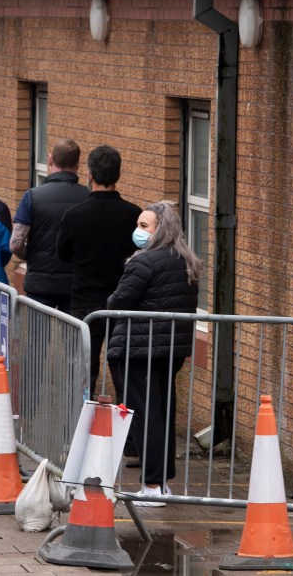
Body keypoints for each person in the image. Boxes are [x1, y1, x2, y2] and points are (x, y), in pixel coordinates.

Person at [105, 201, 201, 506]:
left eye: (145, 226)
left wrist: (110, 298)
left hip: (139, 347)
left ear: (162, 229)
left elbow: (119, 300)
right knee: (161, 411)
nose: (138, 231)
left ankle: (153, 484)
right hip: (170, 348)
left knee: (145, 414)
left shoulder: (143, 262)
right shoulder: (186, 260)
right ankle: (161, 480)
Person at [57, 145, 141, 396]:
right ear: (118, 174)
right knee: (123, 374)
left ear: (89, 174)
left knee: (84, 372)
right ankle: (127, 432)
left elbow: (63, 255)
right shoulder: (134, 214)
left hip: (85, 303)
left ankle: (78, 428)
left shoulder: (74, 215)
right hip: (123, 304)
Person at [11, 139, 89, 313]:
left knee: (37, 338)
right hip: (75, 284)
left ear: (50, 160)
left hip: (40, 283)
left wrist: (33, 256)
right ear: (78, 164)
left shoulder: (32, 196)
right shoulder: (88, 197)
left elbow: (15, 244)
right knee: (73, 339)